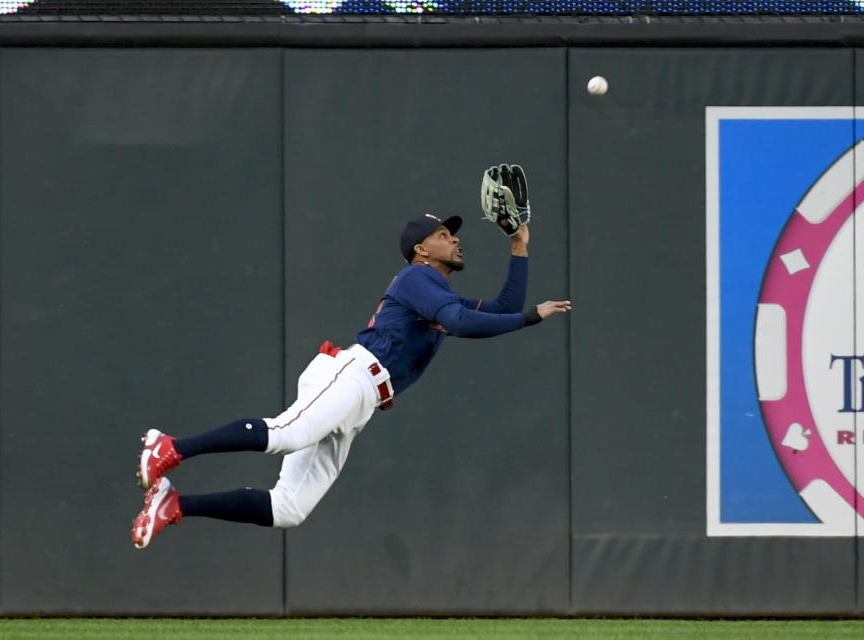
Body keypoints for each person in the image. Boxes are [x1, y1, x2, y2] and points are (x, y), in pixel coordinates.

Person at [131, 213, 570, 548]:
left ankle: (174, 504)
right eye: (443, 234)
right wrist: (531, 319)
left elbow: (501, 309)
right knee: (287, 432)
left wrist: (519, 244)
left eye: (453, 233)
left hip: (363, 400)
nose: (455, 239)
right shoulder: (418, 277)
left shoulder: (438, 290)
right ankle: (170, 446)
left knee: (288, 508)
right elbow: (463, 323)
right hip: (353, 374)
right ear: (421, 249)